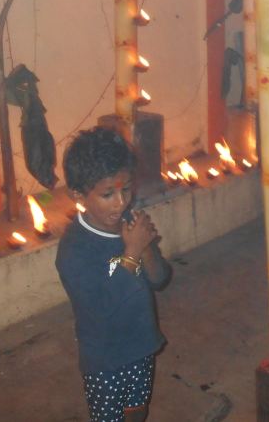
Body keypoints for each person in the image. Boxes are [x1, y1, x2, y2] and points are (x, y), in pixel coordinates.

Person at [57, 126, 172, 422]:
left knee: (137, 410)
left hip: (142, 343)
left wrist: (146, 248)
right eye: (108, 194)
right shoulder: (75, 250)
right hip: (106, 358)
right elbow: (101, 309)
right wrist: (132, 252)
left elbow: (160, 279)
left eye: (126, 189)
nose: (121, 202)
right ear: (79, 195)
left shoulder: (129, 222)